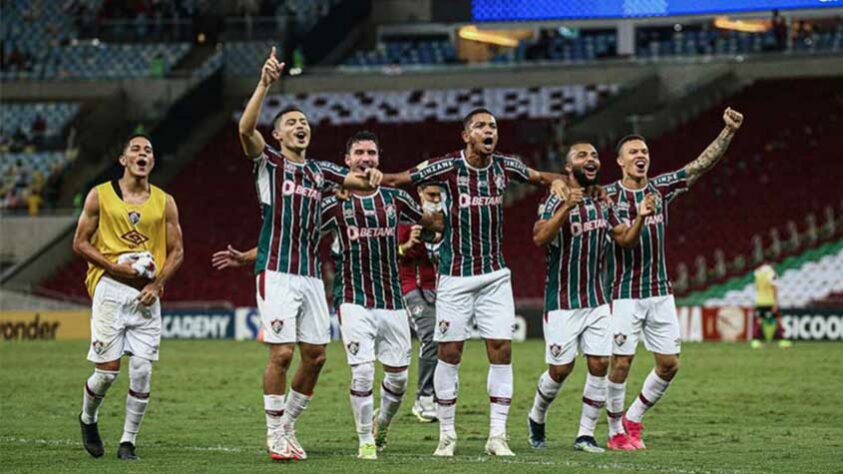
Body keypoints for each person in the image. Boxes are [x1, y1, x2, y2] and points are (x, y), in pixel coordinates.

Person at [380, 108, 568, 457]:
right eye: (481, 126)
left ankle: (497, 436)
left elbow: (542, 177)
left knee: (502, 350)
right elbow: (399, 179)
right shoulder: (447, 166)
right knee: (450, 354)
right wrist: (370, 177)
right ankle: (447, 436)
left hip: (495, 275)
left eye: (493, 126)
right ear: (466, 135)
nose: (489, 130)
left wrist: (558, 180)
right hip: (454, 276)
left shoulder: (506, 167)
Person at [238, 47, 382, 461]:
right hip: (277, 271)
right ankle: (272, 435)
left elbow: (361, 181)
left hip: (311, 276)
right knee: (282, 353)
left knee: (316, 357)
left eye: (304, 123)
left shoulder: (320, 171)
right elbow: (246, 131)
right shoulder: (268, 163)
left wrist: (371, 175)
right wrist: (265, 84)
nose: (301, 127)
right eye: (292, 123)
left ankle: (287, 426)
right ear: (279, 135)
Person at [603, 107, 744, 450]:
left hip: (660, 292)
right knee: (621, 363)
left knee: (668, 365)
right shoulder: (607, 197)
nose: (641, 156)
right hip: (624, 293)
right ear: (620, 161)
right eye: (634, 152)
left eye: (645, 152)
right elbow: (623, 239)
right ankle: (613, 432)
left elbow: (699, 165)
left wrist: (728, 132)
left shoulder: (662, 188)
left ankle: (633, 418)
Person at [321, 131, 444, 459]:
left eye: (371, 153)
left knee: (399, 379)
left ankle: (382, 426)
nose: (366, 158)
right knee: (362, 370)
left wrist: (429, 219)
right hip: (353, 297)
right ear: (347, 160)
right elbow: (301, 228)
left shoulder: (395, 198)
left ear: (379, 159)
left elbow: (432, 227)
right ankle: (364, 440)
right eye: (359, 152)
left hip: (392, 299)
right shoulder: (335, 204)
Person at [527, 143, 655, 453]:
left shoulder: (602, 202)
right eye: (582, 156)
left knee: (600, 363)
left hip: (598, 300)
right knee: (560, 370)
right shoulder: (554, 199)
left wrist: (639, 218)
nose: (591, 160)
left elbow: (623, 238)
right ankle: (536, 415)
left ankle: (585, 434)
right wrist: (567, 207)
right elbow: (539, 238)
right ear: (568, 167)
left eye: (594, 155)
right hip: (562, 302)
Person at [73, 133, 184, 460]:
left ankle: (127, 442)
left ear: (151, 161)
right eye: (135, 149)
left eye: (148, 150)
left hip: (147, 296)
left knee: (142, 370)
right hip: (110, 288)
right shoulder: (100, 196)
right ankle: (88, 417)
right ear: (123, 160)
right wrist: (112, 266)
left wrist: (157, 284)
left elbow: (177, 251)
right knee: (107, 372)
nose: (142, 154)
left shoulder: (165, 201)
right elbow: (80, 242)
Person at [398, 183, 443, 423]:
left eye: (438, 195)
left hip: (440, 287)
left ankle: (439, 395)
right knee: (431, 336)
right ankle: (424, 398)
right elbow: (389, 252)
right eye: (430, 195)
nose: (435, 199)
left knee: (447, 342)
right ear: (420, 194)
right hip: (411, 286)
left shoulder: (447, 220)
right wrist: (406, 246)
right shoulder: (407, 218)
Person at [751, 263, 791, 349]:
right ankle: (783, 341)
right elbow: (775, 287)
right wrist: (775, 302)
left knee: (759, 321)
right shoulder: (771, 273)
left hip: (760, 301)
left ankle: (755, 341)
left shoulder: (757, 273)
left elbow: (757, 287)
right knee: (778, 319)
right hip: (769, 301)